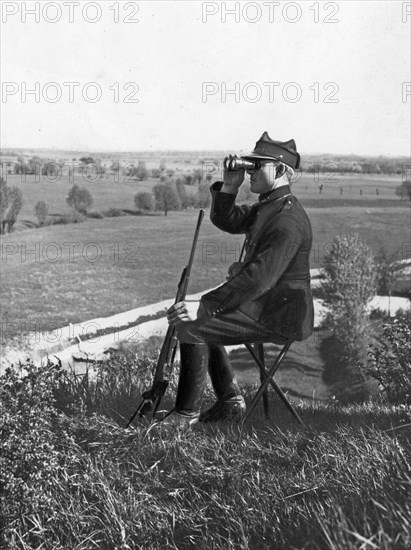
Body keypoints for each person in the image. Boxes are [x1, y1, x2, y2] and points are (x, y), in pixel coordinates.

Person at [165, 131, 314, 427]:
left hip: (281, 314)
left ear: (282, 171)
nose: (250, 172)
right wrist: (230, 186)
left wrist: (206, 305)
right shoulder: (270, 206)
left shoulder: (287, 219)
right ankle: (229, 402)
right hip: (268, 305)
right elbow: (228, 220)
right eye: (251, 165)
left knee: (193, 322)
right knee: (203, 318)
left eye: (259, 166)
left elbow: (259, 278)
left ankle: (185, 416)